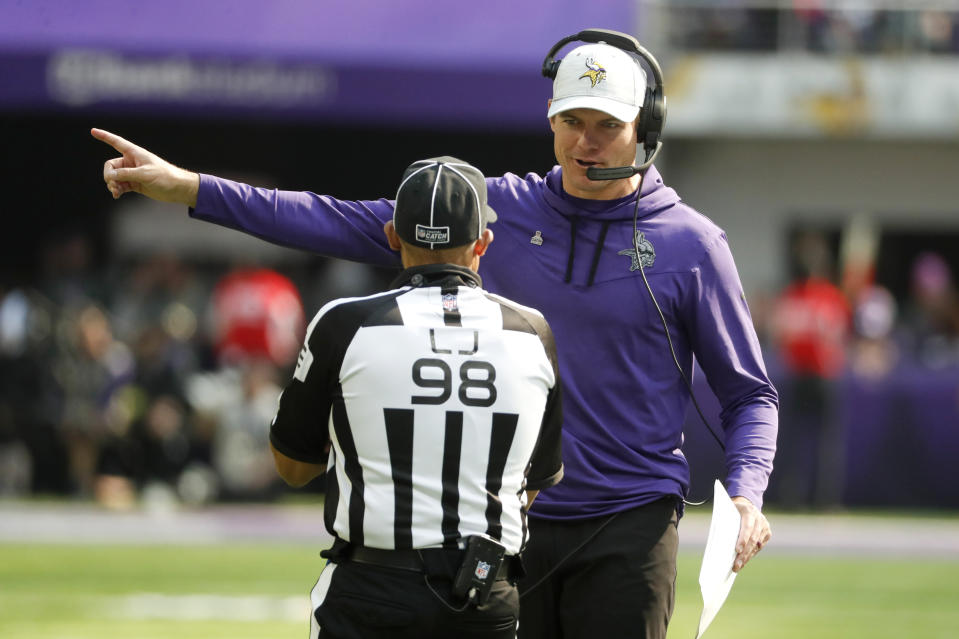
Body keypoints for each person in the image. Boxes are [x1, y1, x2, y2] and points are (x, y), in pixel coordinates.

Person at [92, 28, 776, 639]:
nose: (583, 141)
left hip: (631, 521)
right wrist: (190, 189)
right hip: (509, 521)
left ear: (642, 128)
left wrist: (745, 492)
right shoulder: (498, 208)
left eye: (604, 123)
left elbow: (748, 394)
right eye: (569, 120)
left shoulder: (692, 244)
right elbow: (332, 218)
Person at [268, 156, 564, 638]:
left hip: (369, 588)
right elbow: (531, 484)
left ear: (391, 235)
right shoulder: (532, 332)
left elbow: (292, 467)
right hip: (483, 596)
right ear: (483, 244)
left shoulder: (343, 323)